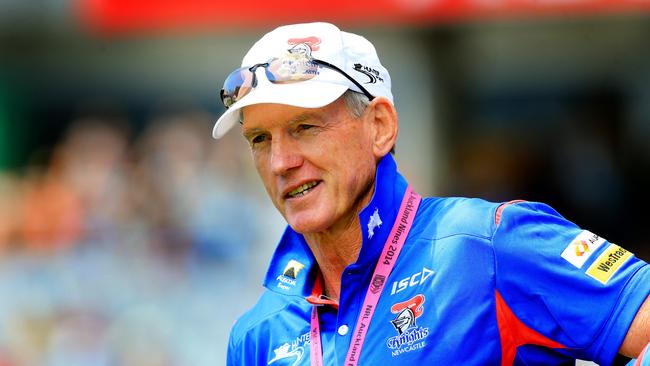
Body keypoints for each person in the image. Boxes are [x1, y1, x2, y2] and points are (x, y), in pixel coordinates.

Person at [213, 22, 650, 365]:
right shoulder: (257, 334)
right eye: (259, 139)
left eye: (304, 128)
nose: (279, 162)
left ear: (379, 127)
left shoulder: (491, 243)